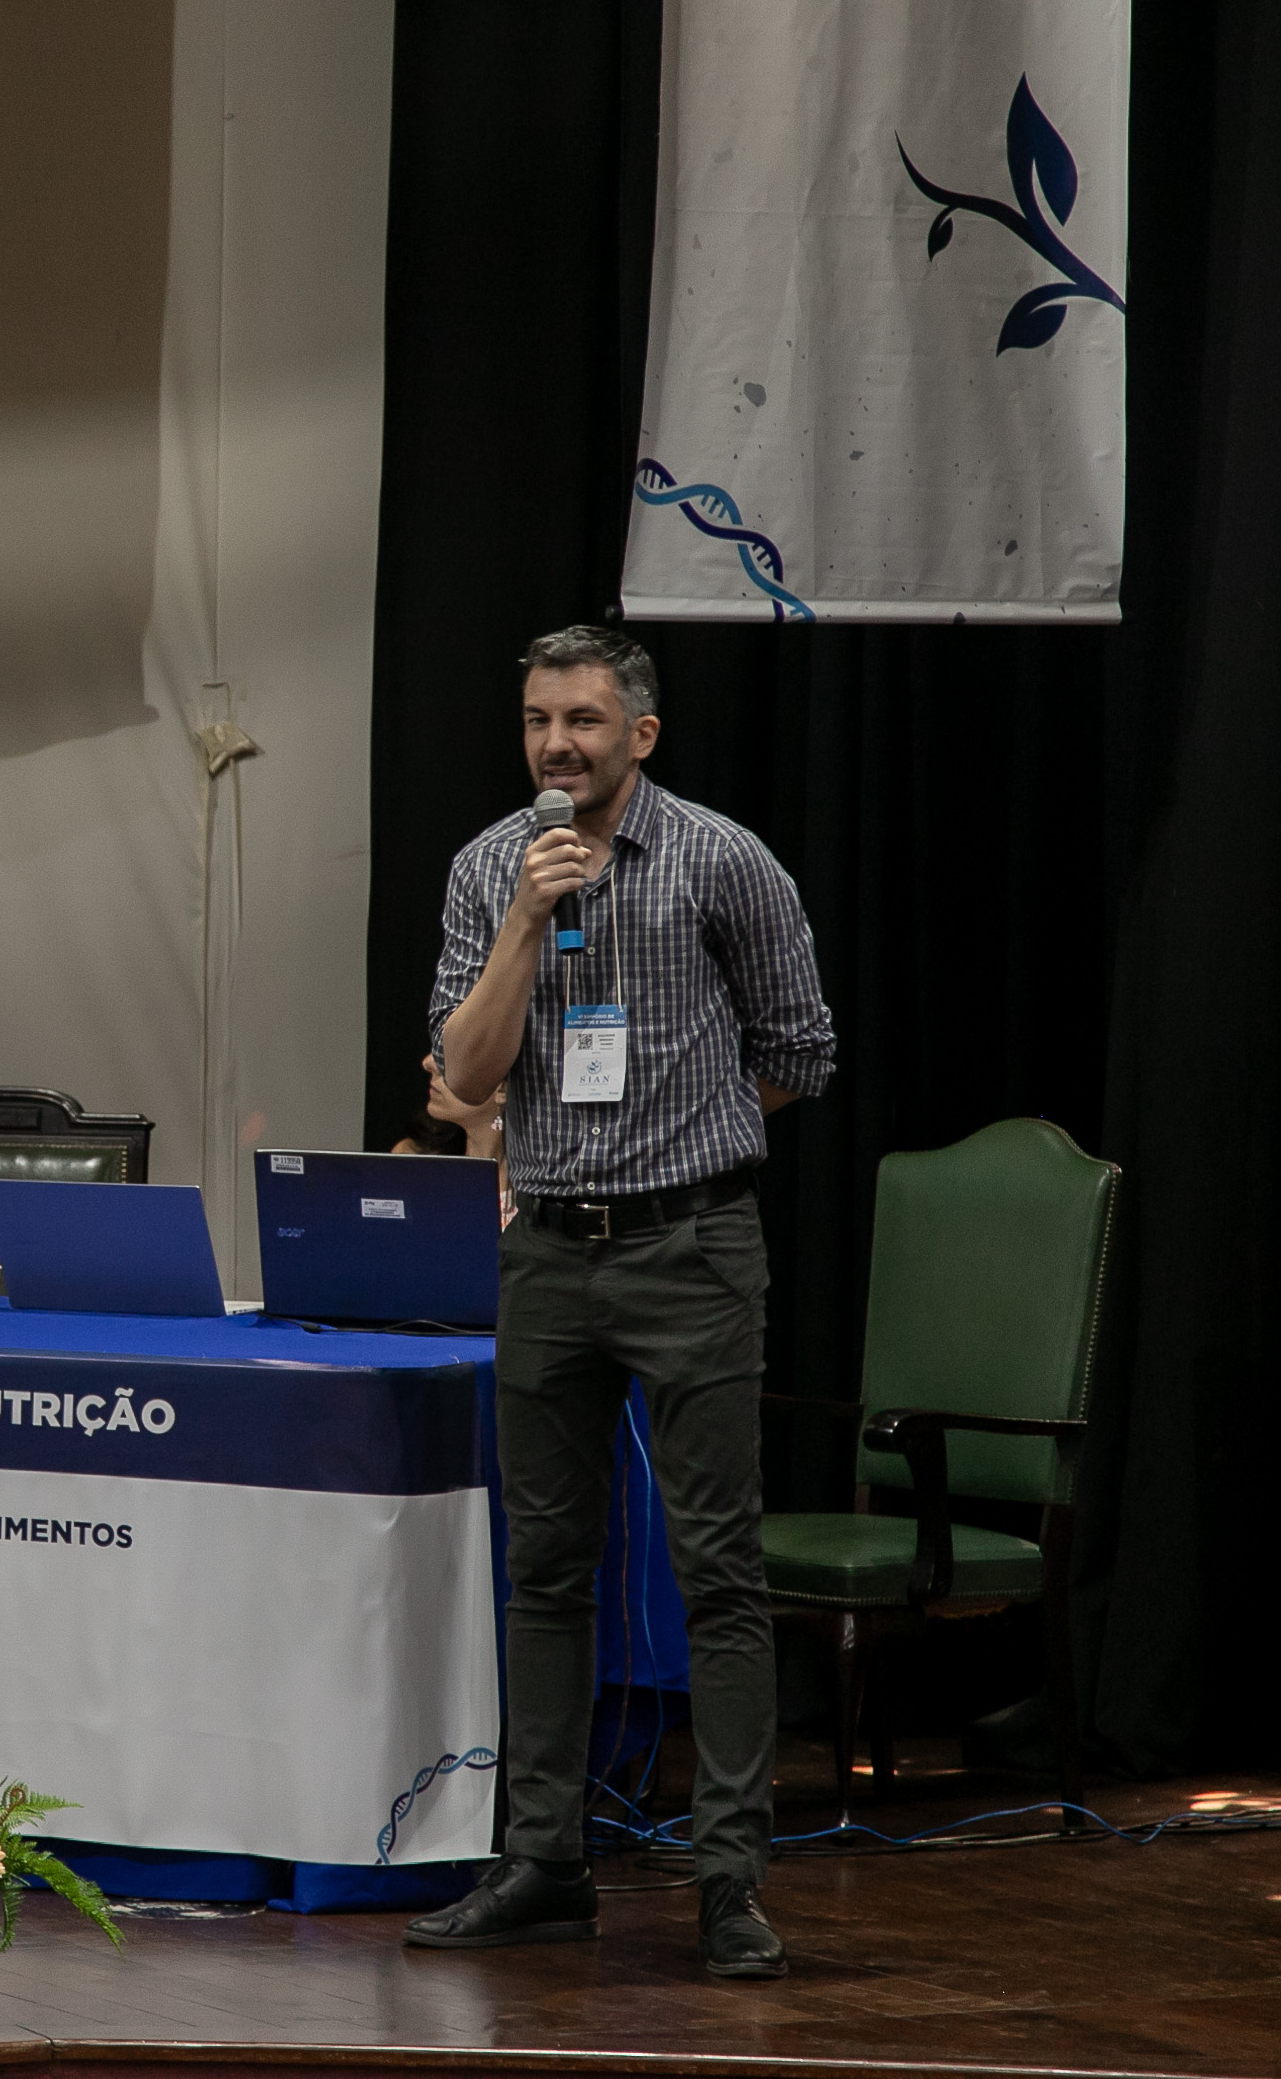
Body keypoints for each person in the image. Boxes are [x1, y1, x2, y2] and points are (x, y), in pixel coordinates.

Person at [408, 626, 834, 1979]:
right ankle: (543, 1860)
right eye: (540, 721)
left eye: (584, 721)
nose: (558, 746)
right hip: (545, 1252)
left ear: (639, 735)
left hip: (690, 1246)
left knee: (718, 1570)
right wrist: (526, 921)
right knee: (546, 1569)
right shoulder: (491, 868)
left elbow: (800, 1049)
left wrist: (688, 1138)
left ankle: (729, 1881)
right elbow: (469, 1077)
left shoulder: (721, 859)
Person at [392, 1053, 510, 1225]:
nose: (428, 1062)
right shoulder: (412, 1161)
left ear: (502, 1089)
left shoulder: (541, 1192)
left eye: (454, 1050)